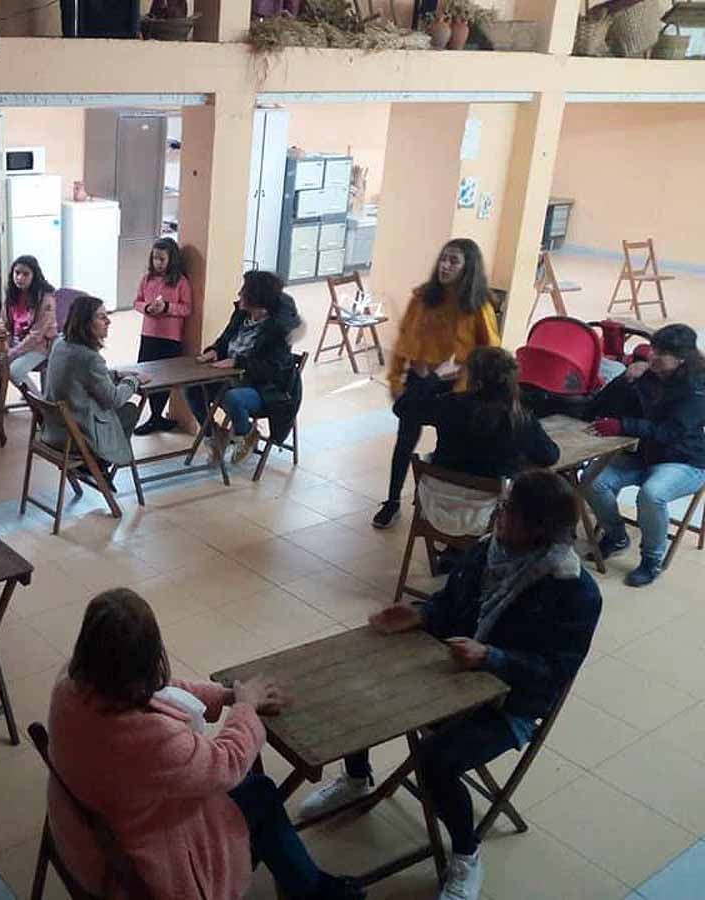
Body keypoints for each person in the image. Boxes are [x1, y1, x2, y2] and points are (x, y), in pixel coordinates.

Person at [297, 470, 601, 900]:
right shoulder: (487, 551)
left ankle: (466, 853)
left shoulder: (573, 590)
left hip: (509, 702)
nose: (499, 512)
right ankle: (357, 777)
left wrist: (492, 657)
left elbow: (553, 672)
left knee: (437, 763)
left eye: (509, 510)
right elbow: (452, 604)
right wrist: (420, 615)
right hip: (456, 670)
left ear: (538, 529)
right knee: (365, 676)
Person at [47, 588, 364, 900]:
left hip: (84, 839)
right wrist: (245, 708)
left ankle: (309, 886)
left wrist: (226, 696)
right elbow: (228, 763)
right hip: (138, 864)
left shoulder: (72, 685)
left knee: (257, 794)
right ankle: (314, 892)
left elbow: (162, 689)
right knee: (261, 793)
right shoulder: (148, 737)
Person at [374, 239, 500, 530]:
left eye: (453, 261)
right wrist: (396, 379)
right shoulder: (422, 297)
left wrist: (464, 372)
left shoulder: (478, 305)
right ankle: (392, 502)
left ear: (468, 267)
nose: (445, 266)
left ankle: (436, 509)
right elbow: (404, 339)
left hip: (456, 390)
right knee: (404, 441)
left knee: (448, 449)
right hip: (419, 382)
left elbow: (491, 352)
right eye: (443, 259)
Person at [395, 346, 560, 543]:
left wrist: (440, 382)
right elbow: (550, 456)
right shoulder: (519, 419)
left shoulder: (451, 405)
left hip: (438, 503)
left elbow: (402, 407)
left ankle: (453, 551)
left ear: (474, 381)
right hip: (484, 514)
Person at [585, 323, 705, 587]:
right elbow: (601, 406)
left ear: (682, 359)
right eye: (653, 349)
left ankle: (652, 560)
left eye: (661, 353)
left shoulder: (697, 387)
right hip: (644, 453)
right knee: (592, 481)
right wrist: (624, 380)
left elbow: (673, 432)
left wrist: (624, 426)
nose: (652, 356)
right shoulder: (650, 374)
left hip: (684, 460)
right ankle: (617, 536)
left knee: (652, 494)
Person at [187, 270, 298, 466]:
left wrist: (239, 363)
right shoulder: (241, 314)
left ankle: (246, 434)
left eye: (244, 290)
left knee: (232, 398)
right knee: (192, 388)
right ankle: (214, 435)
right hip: (233, 378)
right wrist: (214, 350)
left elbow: (272, 369)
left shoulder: (277, 330)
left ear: (257, 297)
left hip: (266, 388)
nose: (239, 294)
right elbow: (225, 339)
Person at [43, 295, 150, 473]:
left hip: (53, 429)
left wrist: (115, 374)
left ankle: (98, 464)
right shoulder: (90, 358)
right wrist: (134, 380)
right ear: (85, 323)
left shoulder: (60, 343)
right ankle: (99, 462)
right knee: (129, 410)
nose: (109, 321)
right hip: (75, 438)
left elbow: (80, 376)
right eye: (102, 317)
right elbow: (114, 399)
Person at [0, 254, 57, 415]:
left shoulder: (46, 298)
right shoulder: (12, 294)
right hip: (13, 343)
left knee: (15, 371)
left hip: (40, 346)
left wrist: (13, 353)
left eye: (25, 274)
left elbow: (37, 334)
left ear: (34, 275)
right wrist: (4, 343)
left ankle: (42, 407)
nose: (19, 278)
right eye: (17, 273)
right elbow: (3, 323)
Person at [132, 237, 192, 436]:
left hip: (170, 337)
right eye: (155, 258)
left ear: (171, 259)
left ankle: (157, 415)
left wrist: (167, 307)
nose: (157, 262)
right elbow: (137, 302)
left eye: (162, 259)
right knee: (147, 373)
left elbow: (186, 308)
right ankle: (154, 414)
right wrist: (147, 307)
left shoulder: (181, 282)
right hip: (149, 334)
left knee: (165, 376)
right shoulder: (146, 279)